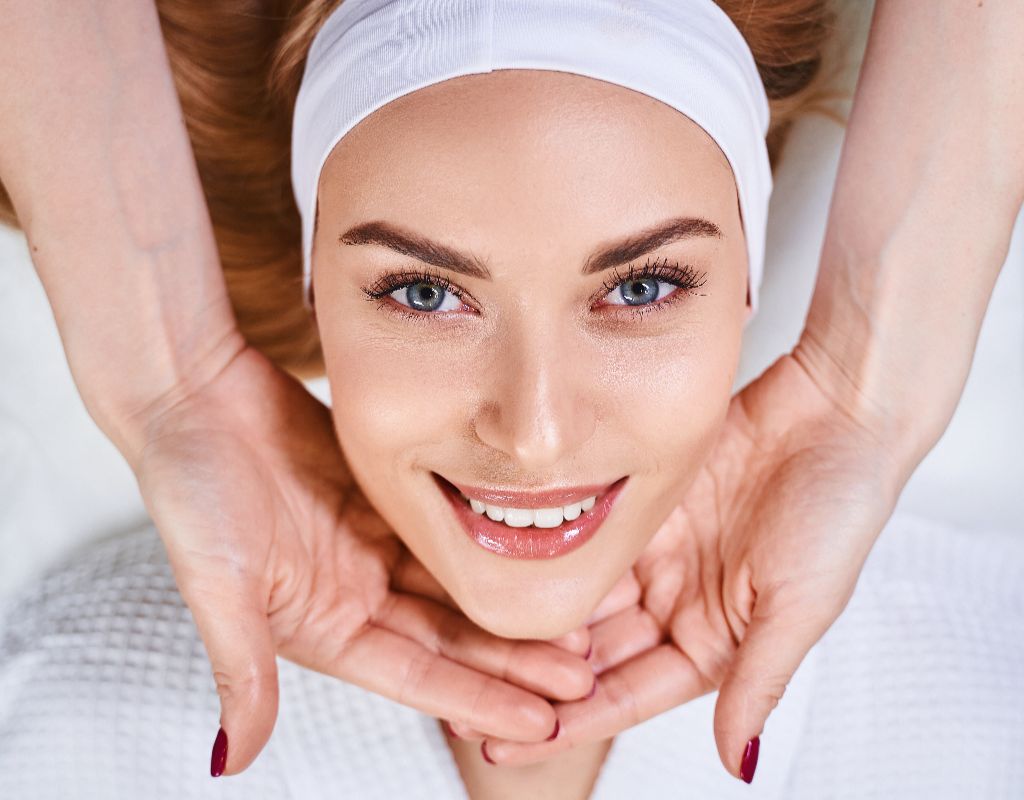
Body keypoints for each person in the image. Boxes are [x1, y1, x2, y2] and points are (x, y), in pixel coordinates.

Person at [0, 0, 1021, 795]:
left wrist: (866, 394)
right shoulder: (58, 708)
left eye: (640, 288)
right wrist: (166, 384)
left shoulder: (988, 694)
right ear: (316, 291)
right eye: (423, 293)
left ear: (746, 280)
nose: (533, 435)